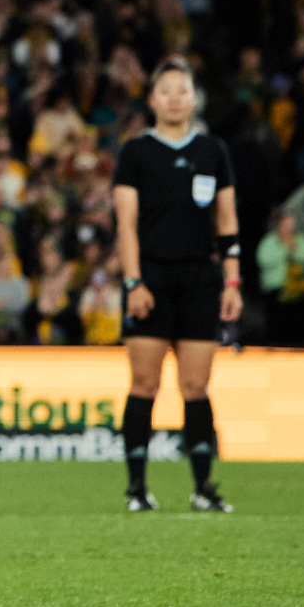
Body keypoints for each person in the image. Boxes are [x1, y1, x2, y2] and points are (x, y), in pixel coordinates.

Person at [112, 56, 241, 514]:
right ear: (152, 99)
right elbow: (126, 224)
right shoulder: (135, 153)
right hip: (151, 278)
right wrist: (133, 281)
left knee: (196, 386)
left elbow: (226, 221)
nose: (173, 98)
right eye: (165, 90)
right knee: (144, 383)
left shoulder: (212, 152)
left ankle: (203, 488)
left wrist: (232, 280)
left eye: (182, 91)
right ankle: (136, 488)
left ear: (193, 98)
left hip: (199, 280)